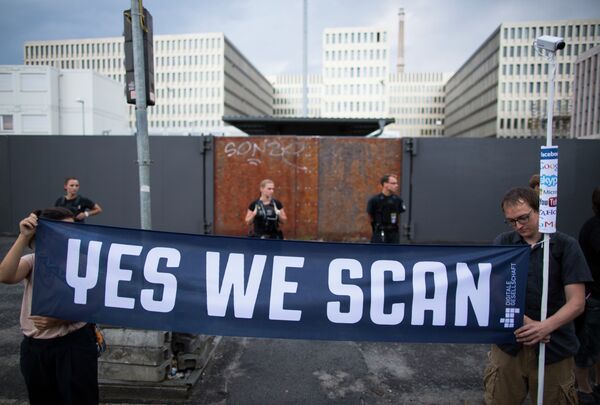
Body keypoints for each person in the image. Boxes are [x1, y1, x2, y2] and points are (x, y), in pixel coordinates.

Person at [483, 187, 592, 405]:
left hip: (554, 347)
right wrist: (527, 323)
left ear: (539, 211)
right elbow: (493, 291)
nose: (519, 226)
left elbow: (577, 302)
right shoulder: (503, 243)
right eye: (511, 221)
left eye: (524, 217)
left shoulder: (565, 246)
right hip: (509, 344)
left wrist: (545, 326)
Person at [0, 208, 99, 405]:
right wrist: (23, 236)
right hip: (35, 348)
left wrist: (59, 318)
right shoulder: (35, 260)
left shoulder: (84, 263)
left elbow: (96, 304)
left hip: (74, 346)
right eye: (62, 229)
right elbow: (5, 276)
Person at [574, 186, 600, 405]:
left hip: (593, 298)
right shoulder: (593, 228)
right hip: (594, 298)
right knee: (586, 345)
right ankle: (583, 387)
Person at [366, 174, 406, 243]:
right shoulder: (375, 200)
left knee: (394, 252)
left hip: (394, 233)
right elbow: (370, 216)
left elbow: (398, 214)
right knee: (378, 252)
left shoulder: (397, 200)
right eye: (393, 183)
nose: (396, 185)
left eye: (396, 183)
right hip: (379, 232)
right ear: (385, 184)